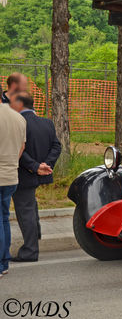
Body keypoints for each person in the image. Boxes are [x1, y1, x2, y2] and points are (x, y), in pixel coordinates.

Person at [9, 92, 61, 262]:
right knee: (31, 206)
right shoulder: (47, 122)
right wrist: (47, 164)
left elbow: (18, 150)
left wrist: (35, 167)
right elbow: (56, 146)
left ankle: (30, 250)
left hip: (24, 173)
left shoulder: (17, 123)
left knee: (25, 212)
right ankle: (36, 234)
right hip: (41, 172)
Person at [0, 102, 27, 277]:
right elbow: (22, 147)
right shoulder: (19, 117)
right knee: (4, 218)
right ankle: (4, 262)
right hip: (11, 176)